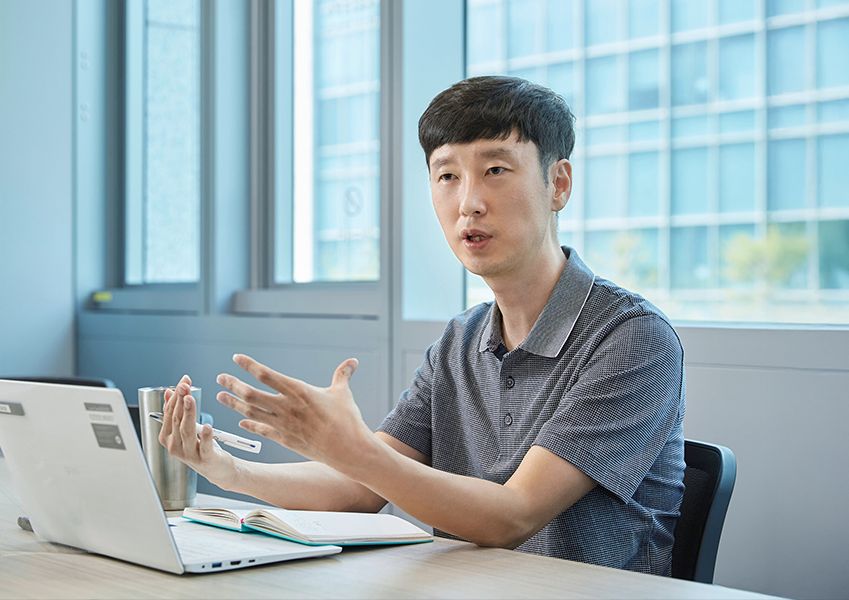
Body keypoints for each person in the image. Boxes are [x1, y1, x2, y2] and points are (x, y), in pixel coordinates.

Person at [158, 75, 685, 576]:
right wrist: (228, 470)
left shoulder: (633, 338)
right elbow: (360, 489)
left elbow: (514, 516)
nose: (468, 203)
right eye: (447, 176)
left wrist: (354, 450)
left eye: (495, 170)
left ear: (559, 184)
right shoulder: (460, 342)